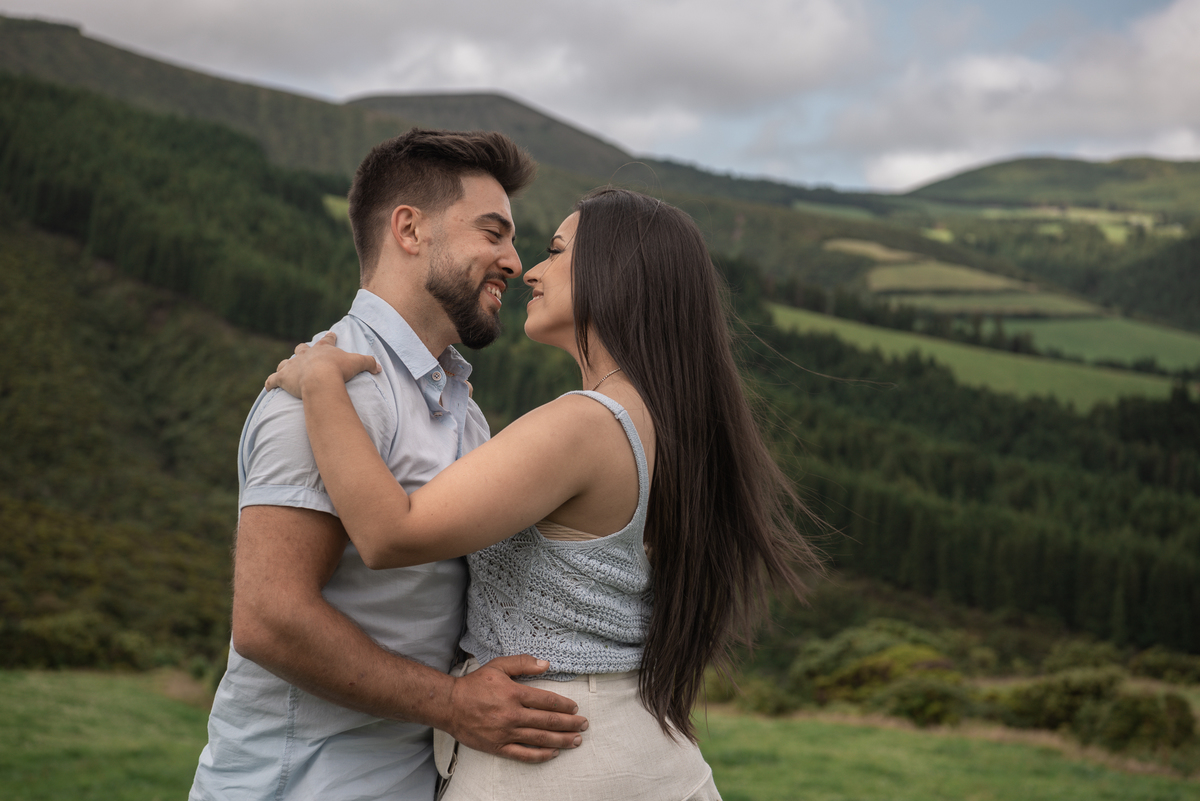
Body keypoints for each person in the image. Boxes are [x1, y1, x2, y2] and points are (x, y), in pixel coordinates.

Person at [266, 187, 825, 800]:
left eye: (556, 252)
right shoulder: (667, 419)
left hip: (552, 755)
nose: (530, 268)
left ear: (617, 274)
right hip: (639, 743)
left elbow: (388, 534)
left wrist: (321, 382)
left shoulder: (586, 424)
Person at [189, 128, 589, 801]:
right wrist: (454, 704)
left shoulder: (462, 409)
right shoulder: (331, 389)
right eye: (494, 233)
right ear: (409, 229)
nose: (513, 261)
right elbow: (269, 616)